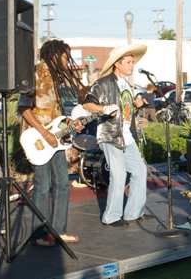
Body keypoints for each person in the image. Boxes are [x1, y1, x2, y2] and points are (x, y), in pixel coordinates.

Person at [18, 39, 85, 246]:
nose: (68, 61)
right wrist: (43, 133)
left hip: (56, 140)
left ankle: (57, 231)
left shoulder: (57, 79)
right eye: (65, 56)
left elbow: (57, 114)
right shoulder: (35, 73)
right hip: (38, 140)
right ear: (55, 55)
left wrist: (70, 122)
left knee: (63, 185)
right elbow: (24, 108)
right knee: (43, 185)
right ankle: (39, 233)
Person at [83, 44, 148, 227]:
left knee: (140, 171)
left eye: (132, 62)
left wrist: (136, 104)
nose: (131, 65)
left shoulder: (127, 84)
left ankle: (133, 213)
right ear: (117, 64)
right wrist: (103, 108)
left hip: (126, 135)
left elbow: (125, 110)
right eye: (128, 62)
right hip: (110, 135)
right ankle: (111, 216)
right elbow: (87, 103)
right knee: (118, 176)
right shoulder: (103, 83)